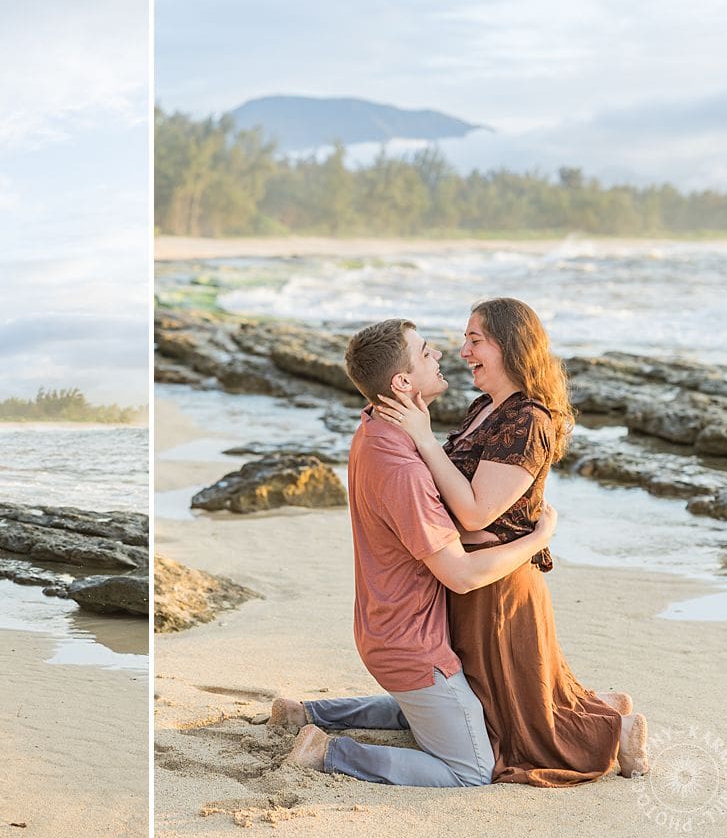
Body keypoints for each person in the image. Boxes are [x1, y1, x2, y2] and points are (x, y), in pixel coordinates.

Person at [272, 318, 562, 787]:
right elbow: (462, 575)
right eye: (427, 352)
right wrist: (537, 540)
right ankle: (329, 751)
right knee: (471, 770)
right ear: (403, 382)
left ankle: (305, 712)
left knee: (426, 712)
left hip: (384, 627)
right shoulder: (403, 468)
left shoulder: (374, 426)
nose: (444, 355)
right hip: (412, 645)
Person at [373, 297, 649, 784]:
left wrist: (423, 437)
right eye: (464, 340)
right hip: (469, 575)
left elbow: (477, 509)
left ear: (511, 345)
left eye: (475, 340)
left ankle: (616, 733)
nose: (463, 352)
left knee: (524, 727)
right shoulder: (484, 407)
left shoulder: (529, 420)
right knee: (504, 701)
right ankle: (608, 712)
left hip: (498, 583)